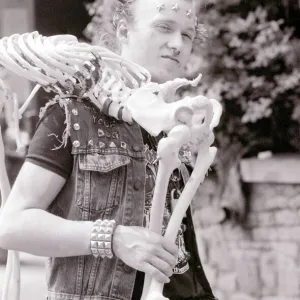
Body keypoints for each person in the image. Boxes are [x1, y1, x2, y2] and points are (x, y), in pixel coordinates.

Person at [0, 0, 218, 299]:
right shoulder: (73, 114)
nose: (177, 44)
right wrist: (113, 238)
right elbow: (12, 224)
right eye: (164, 27)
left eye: (188, 35)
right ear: (124, 30)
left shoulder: (174, 122)